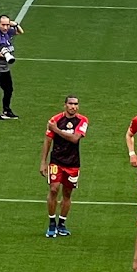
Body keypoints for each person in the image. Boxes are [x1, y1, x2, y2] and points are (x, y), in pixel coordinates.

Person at [39, 95, 89, 238]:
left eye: (76, 104)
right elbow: (48, 141)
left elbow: (75, 139)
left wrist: (56, 130)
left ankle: (61, 223)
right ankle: (51, 223)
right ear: (65, 105)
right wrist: (43, 162)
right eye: (71, 104)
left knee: (67, 193)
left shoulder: (83, 120)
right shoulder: (55, 120)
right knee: (53, 189)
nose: (73, 106)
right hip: (56, 161)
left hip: (73, 163)